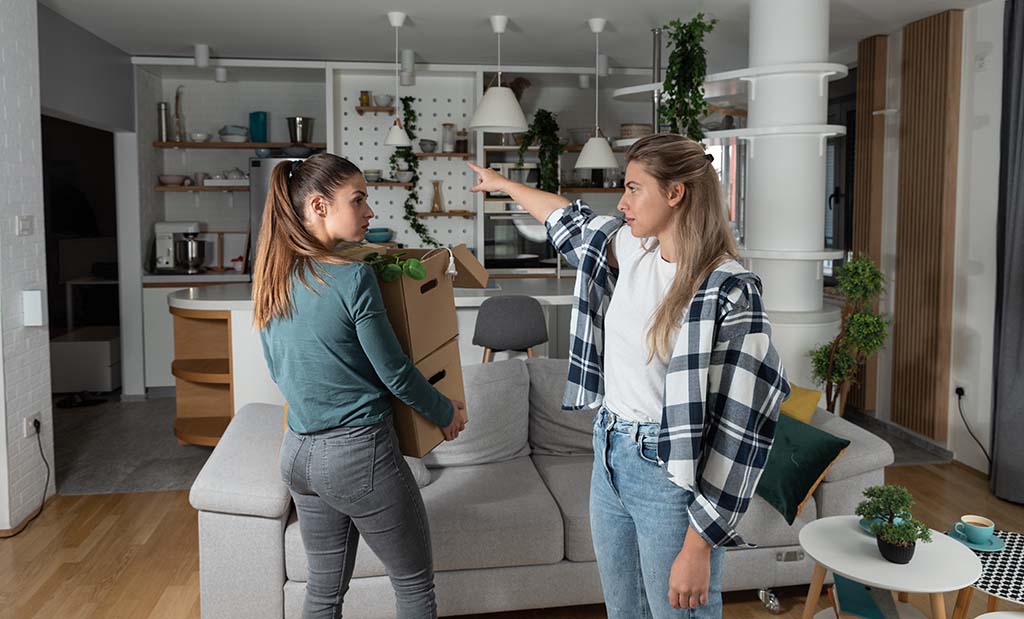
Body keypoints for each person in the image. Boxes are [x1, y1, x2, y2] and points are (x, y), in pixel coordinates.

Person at [467, 134, 789, 619]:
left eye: (634, 188)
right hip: (609, 452)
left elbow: (742, 427)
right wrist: (502, 184)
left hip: (668, 475)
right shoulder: (633, 250)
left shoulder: (729, 290)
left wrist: (700, 546)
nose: (622, 202)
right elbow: (565, 219)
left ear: (675, 193)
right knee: (624, 611)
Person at [253, 152, 467, 619]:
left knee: (324, 593)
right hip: (357, 456)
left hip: (298, 456)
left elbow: (278, 369)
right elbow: (394, 371)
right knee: (414, 588)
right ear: (319, 206)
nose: (370, 211)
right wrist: (445, 411)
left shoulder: (272, 277)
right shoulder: (353, 277)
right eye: (359, 199)